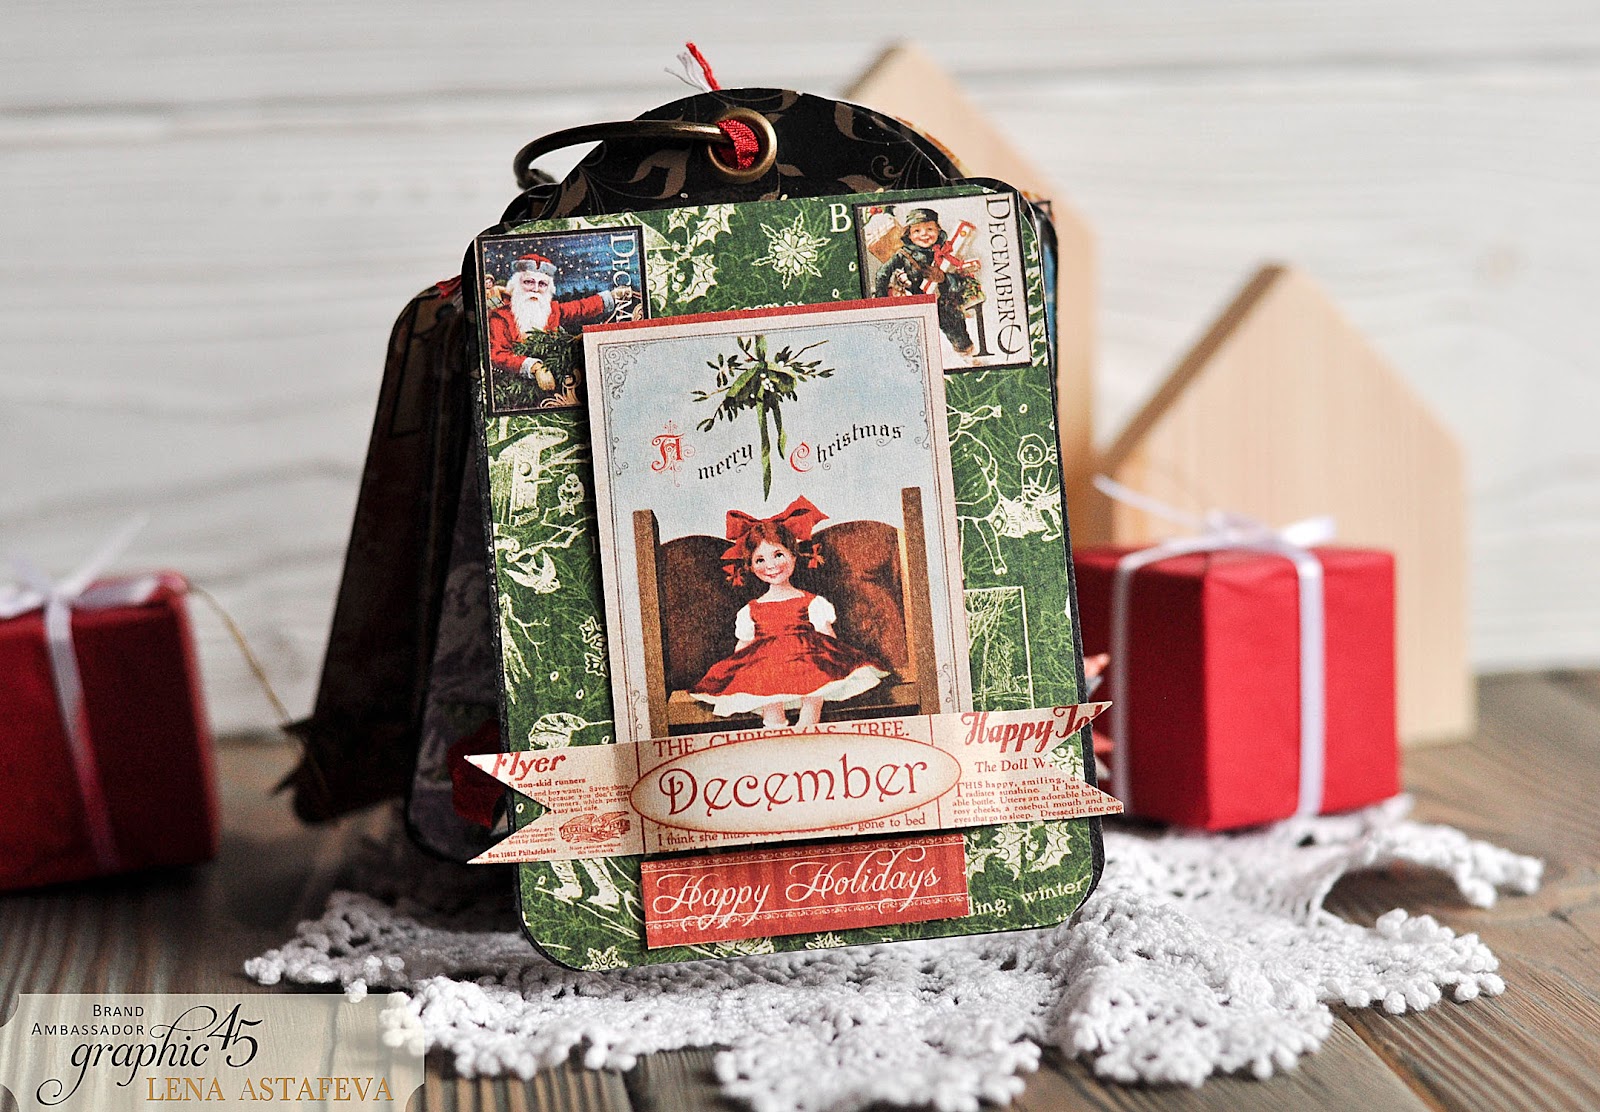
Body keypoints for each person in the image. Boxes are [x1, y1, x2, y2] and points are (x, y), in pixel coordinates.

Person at [689, 497, 888, 728]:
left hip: (806, 660)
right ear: (750, 566)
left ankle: (808, 725)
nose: (770, 566)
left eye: (778, 555)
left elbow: (827, 637)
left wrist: (837, 661)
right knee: (764, 682)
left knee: (815, 680)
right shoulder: (751, 610)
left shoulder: (811, 602)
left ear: (793, 555)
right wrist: (735, 670)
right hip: (767, 666)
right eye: (760, 559)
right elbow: (743, 645)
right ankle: (775, 726)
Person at [485, 252, 638, 395]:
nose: (535, 289)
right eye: (529, 282)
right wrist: (535, 367)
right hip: (519, 389)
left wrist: (612, 296)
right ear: (516, 285)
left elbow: (581, 308)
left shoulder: (551, 310)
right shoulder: (500, 317)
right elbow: (498, 356)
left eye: (542, 284)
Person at [872, 207, 981, 356]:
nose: (924, 234)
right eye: (917, 231)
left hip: (946, 303)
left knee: (956, 331)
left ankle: (967, 353)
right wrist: (882, 301)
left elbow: (962, 280)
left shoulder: (949, 250)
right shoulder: (903, 254)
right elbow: (882, 274)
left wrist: (944, 278)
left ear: (938, 230)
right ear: (909, 234)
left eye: (929, 229)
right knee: (916, 340)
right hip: (918, 303)